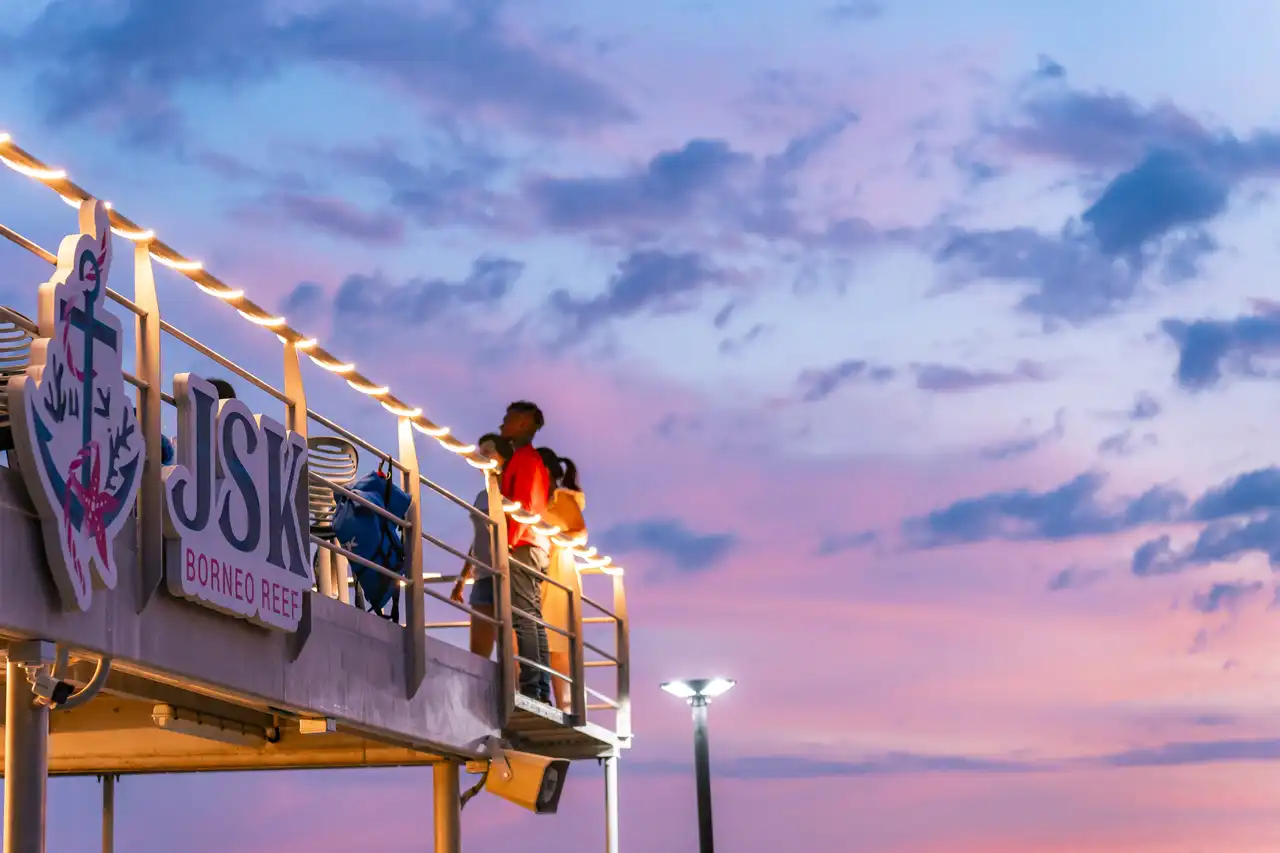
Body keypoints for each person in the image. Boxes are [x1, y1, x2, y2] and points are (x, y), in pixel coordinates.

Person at [497, 401, 553, 703]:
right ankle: (540, 686)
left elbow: (523, 506)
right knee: (532, 616)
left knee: (525, 617)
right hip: (534, 543)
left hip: (523, 544)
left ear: (522, 423)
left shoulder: (525, 459)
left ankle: (533, 686)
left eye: (507, 419)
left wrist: (508, 542)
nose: (501, 424)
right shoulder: (530, 460)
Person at [452, 433, 512, 659]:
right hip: (483, 573)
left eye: (488, 451)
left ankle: (515, 691)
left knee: (510, 645)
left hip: (507, 574)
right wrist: (462, 577)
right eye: (481, 451)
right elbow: (477, 539)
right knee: (478, 650)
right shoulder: (480, 496)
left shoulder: (510, 493)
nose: (482, 456)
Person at [537, 450, 587, 712]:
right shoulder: (532, 502)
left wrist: (557, 539)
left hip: (558, 572)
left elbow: (580, 532)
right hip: (539, 571)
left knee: (558, 644)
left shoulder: (561, 499)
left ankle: (567, 708)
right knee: (528, 637)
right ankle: (534, 697)